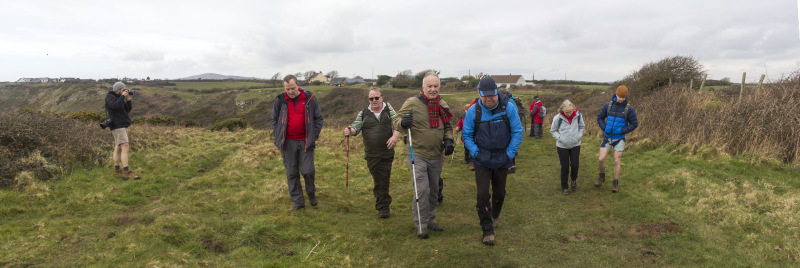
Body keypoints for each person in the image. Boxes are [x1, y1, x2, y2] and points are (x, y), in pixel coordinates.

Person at [392, 73, 455, 239]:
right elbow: (396, 119)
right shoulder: (412, 102)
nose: (433, 89)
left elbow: (447, 126)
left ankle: (430, 219)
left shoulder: (442, 104)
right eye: (430, 86)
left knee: (434, 190)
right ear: (423, 88)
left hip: (436, 153)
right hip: (417, 153)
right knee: (422, 190)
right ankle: (421, 223)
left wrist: (449, 140)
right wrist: (402, 123)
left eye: (436, 86)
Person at [462, 77, 523, 246]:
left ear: (497, 92)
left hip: (502, 159)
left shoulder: (509, 108)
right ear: (479, 94)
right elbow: (466, 135)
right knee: (482, 195)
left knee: (499, 194)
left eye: (492, 95)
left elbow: (518, 131)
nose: (489, 99)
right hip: (482, 160)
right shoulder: (473, 111)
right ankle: (487, 230)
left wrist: (509, 154)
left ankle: (495, 215)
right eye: (485, 96)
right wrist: (475, 152)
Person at [344, 87, 401, 219]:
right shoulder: (363, 113)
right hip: (371, 155)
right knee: (379, 180)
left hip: (386, 153)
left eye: (376, 98)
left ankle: (383, 208)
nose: (374, 100)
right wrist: (349, 130)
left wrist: (394, 137)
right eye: (371, 98)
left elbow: (398, 124)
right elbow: (356, 128)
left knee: (382, 180)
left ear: (382, 98)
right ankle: (382, 203)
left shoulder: (389, 110)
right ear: (368, 99)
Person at [272, 74, 324, 211]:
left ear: (298, 85)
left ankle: (311, 192)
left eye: (293, 88)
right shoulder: (280, 100)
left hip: (305, 142)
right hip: (287, 143)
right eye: (287, 89)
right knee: (291, 173)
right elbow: (275, 120)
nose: (290, 92)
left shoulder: (310, 98)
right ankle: (298, 202)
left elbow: (318, 119)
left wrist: (314, 136)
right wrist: (278, 139)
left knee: (307, 171)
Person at [595, 85, 638, 193]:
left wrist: (622, 131)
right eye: (619, 96)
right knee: (601, 159)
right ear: (616, 94)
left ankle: (615, 183)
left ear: (626, 97)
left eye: (623, 97)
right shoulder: (608, 106)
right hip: (607, 137)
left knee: (616, 161)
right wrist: (604, 128)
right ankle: (602, 176)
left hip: (619, 139)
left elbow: (634, 124)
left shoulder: (629, 109)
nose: (621, 99)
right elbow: (599, 117)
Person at [106, 82, 140, 180]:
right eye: (124, 89)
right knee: (125, 147)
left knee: (118, 147)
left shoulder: (119, 97)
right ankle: (126, 171)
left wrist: (128, 100)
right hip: (117, 125)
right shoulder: (110, 97)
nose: (126, 91)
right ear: (118, 89)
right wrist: (122, 97)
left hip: (122, 125)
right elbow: (115, 106)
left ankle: (117, 170)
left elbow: (127, 110)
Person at [550, 100, 585, 195]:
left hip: (575, 145)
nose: (569, 114)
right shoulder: (558, 118)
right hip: (562, 146)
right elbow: (553, 130)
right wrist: (559, 138)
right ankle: (564, 186)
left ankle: (573, 180)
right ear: (562, 110)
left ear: (573, 109)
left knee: (574, 165)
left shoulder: (578, 116)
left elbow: (582, 127)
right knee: (565, 167)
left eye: (570, 111)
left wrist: (578, 136)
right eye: (566, 112)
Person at [498, 86, 526, 173]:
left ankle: (511, 165)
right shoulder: (505, 100)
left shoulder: (509, 101)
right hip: (506, 125)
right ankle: (508, 164)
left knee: (509, 144)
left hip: (509, 125)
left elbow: (515, 113)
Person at [456, 104, 473, 169]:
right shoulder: (462, 116)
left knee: (471, 148)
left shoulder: (473, 116)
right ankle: (467, 160)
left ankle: (472, 161)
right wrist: (458, 127)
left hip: (472, 135)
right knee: (466, 148)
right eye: (466, 109)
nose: (467, 111)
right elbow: (460, 124)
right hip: (464, 135)